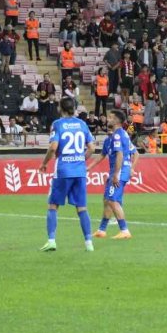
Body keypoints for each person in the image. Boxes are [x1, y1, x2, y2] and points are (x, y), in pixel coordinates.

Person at [39, 97, 96, 252]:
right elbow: (91, 148)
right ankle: (89, 243)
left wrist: (44, 164)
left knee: (53, 205)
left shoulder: (57, 124)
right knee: (82, 208)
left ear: (61, 108)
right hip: (79, 171)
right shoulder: (82, 124)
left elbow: (53, 148)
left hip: (63, 170)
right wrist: (79, 159)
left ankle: (51, 240)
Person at [90, 109, 138, 240]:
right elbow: (102, 155)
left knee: (112, 199)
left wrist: (117, 174)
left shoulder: (118, 135)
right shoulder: (116, 136)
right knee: (107, 199)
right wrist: (89, 168)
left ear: (117, 121)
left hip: (120, 171)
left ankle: (124, 230)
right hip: (117, 171)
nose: (108, 119)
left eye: (110, 117)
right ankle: (102, 230)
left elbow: (120, 155)